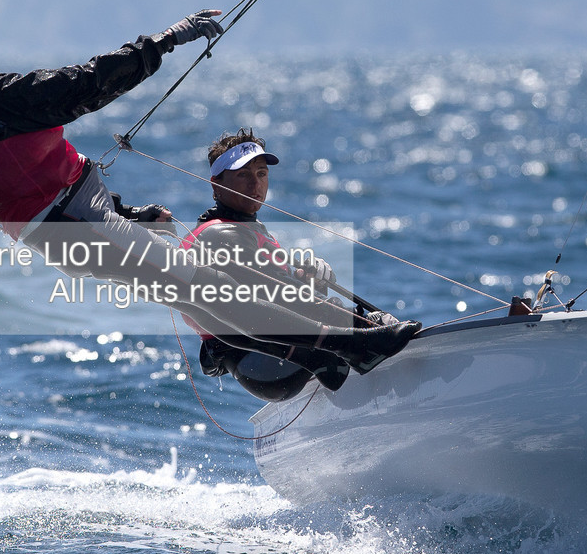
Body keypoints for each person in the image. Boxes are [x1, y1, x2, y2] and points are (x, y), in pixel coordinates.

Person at [0, 2, 413, 388]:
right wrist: (164, 42)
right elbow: (80, 85)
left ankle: (314, 357)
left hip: (77, 225)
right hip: (77, 225)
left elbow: (12, 188)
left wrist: (122, 212)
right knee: (208, 285)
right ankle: (355, 346)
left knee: (199, 290)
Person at [180, 130, 419, 400]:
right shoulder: (222, 235)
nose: (255, 184)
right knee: (368, 329)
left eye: (261, 174)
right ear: (216, 185)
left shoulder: (235, 229)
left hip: (266, 361)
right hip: (268, 365)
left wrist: (306, 279)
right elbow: (275, 300)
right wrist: (362, 323)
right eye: (243, 175)